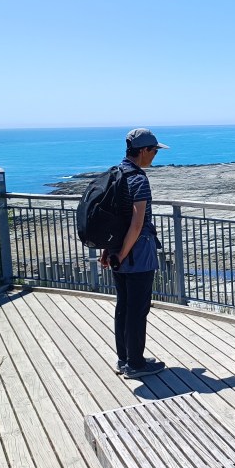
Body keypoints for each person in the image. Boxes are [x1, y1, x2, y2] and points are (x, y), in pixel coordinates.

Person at [99, 128, 169, 379]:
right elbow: (137, 224)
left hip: (118, 250)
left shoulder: (117, 173)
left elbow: (114, 219)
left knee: (123, 307)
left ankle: (124, 358)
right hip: (137, 255)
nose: (155, 156)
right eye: (154, 151)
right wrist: (122, 254)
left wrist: (110, 250)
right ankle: (136, 364)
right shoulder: (138, 179)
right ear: (143, 151)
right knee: (137, 310)